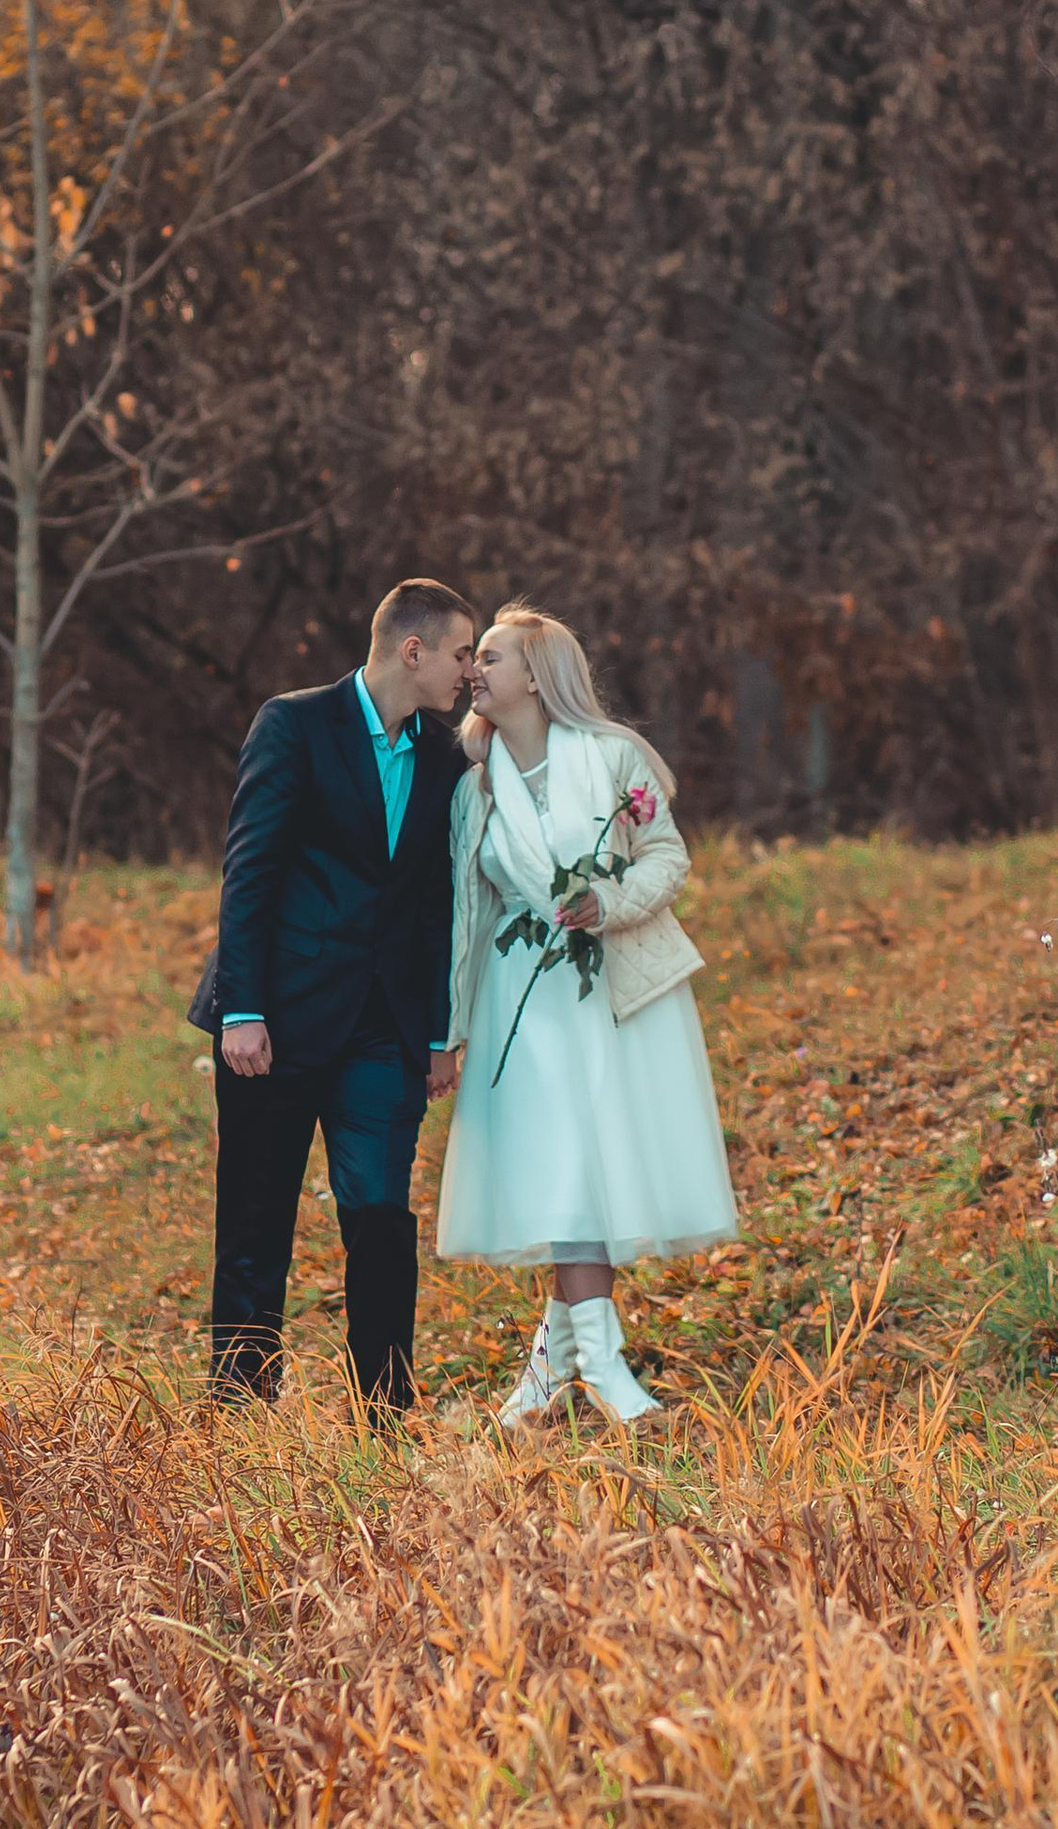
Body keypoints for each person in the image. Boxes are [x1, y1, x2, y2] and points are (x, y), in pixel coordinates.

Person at [434, 603, 738, 1428]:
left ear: (536, 674)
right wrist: (449, 1031)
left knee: (591, 1171)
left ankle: (567, 1374)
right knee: (565, 1168)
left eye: (489, 658)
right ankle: (589, 1375)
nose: (475, 672)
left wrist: (608, 901)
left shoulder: (612, 760)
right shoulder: (475, 786)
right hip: (520, 1004)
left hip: (613, 993)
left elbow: (668, 856)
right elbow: (469, 913)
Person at [188, 579, 478, 1419]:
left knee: (383, 1221)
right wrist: (241, 1009)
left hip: (384, 1032)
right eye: (460, 652)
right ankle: (240, 1413)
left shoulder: (442, 755)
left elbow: (433, 902)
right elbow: (251, 867)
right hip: (276, 1020)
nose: (468, 669)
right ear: (411, 650)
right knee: (255, 1222)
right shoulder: (294, 723)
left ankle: (383, 1415)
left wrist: (435, 1031)